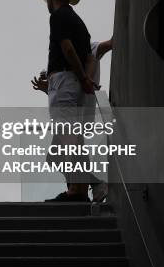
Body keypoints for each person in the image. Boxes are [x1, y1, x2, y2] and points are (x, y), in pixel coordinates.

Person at [33, 0, 97, 202]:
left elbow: (67, 49)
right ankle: (79, 190)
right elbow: (89, 57)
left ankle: (80, 188)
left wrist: (79, 77)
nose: (46, 2)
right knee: (74, 137)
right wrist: (86, 79)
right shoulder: (79, 22)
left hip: (64, 81)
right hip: (76, 85)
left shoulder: (58, 17)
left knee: (68, 139)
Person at [32, 38, 113, 202]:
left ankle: (84, 188)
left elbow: (106, 45)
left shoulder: (87, 47)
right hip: (75, 110)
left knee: (60, 155)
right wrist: (48, 89)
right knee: (57, 157)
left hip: (79, 111)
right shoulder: (68, 65)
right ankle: (84, 187)